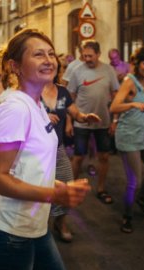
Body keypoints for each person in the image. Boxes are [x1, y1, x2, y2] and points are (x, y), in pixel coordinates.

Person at [0, 28, 90, 270]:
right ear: (15, 66)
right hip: (10, 233)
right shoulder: (16, 108)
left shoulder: (36, 104)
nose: (49, 60)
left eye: (51, 54)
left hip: (36, 228)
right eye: (38, 54)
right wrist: (54, 194)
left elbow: (28, 163)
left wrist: (57, 185)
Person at [42, 62, 101, 242]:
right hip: (36, 152)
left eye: (52, 66)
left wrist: (84, 117)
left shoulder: (62, 92)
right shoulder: (31, 93)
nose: (48, 68)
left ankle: (60, 222)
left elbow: (74, 112)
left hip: (58, 149)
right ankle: (39, 227)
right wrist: (42, 118)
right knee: (39, 189)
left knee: (66, 185)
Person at [110, 47, 144, 233]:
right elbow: (114, 107)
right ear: (137, 64)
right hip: (129, 138)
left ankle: (140, 197)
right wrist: (133, 104)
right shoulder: (130, 82)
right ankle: (127, 216)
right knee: (135, 180)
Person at [67, 39, 120, 205]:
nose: (87, 59)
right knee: (78, 157)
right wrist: (70, 121)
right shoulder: (77, 71)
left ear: (98, 54)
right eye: (84, 56)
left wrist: (115, 120)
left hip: (103, 122)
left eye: (90, 56)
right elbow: (70, 99)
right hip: (82, 121)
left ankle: (101, 189)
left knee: (104, 156)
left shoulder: (108, 70)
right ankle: (71, 189)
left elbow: (116, 95)